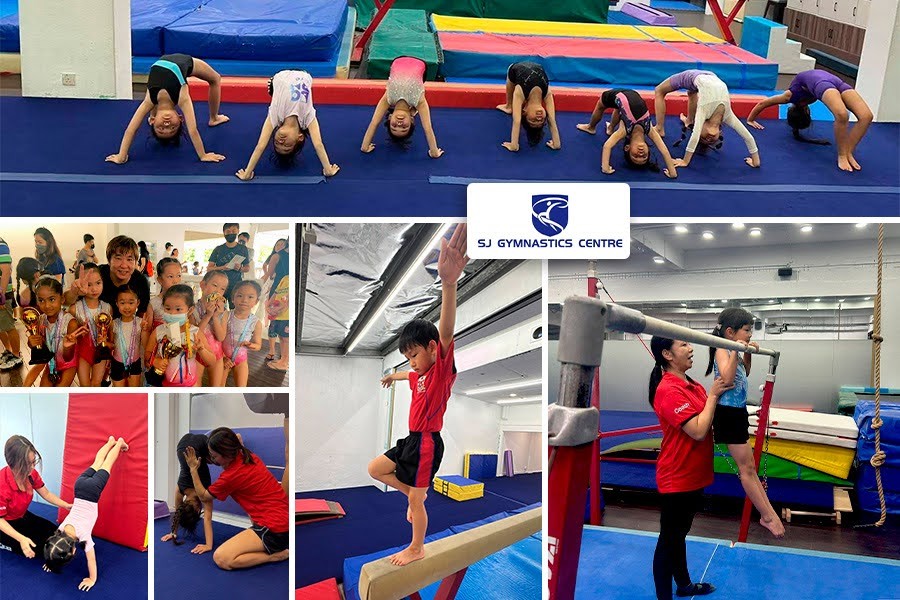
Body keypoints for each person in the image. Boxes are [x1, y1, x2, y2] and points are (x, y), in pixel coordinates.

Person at [368, 224, 468, 566]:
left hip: (427, 442)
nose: (411, 362)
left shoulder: (439, 372)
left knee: (417, 504)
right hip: (410, 440)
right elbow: (407, 374)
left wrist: (449, 284)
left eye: (414, 354)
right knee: (375, 469)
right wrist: (392, 376)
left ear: (430, 348)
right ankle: (413, 493)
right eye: (407, 357)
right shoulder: (418, 376)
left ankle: (416, 546)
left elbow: (447, 329)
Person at [648, 336, 732, 600]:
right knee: (668, 541)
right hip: (677, 476)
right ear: (667, 354)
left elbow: (709, 420)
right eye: (683, 345)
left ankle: (683, 585)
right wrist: (714, 396)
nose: (691, 348)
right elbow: (697, 430)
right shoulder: (668, 389)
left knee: (678, 535)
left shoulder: (693, 385)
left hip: (695, 475)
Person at [706, 308, 784, 538]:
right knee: (746, 470)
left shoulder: (733, 349)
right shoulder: (722, 348)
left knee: (750, 467)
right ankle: (768, 516)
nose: (750, 334)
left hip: (737, 411)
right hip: (726, 413)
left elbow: (745, 373)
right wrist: (736, 350)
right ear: (730, 332)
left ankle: (767, 513)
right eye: (747, 330)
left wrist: (746, 353)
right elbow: (728, 380)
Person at [183, 427, 289, 570]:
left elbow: (203, 495)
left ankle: (274, 555)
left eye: (214, 456)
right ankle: (274, 545)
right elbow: (237, 438)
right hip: (284, 518)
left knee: (221, 558)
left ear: (227, 454)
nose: (212, 459)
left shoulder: (231, 476)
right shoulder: (247, 455)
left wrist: (193, 469)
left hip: (274, 528)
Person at [42, 436, 128, 592]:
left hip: (93, 490)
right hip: (79, 485)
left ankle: (120, 443)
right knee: (97, 463)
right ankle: (110, 442)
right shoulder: (61, 528)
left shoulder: (84, 537)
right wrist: (50, 562)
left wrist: (92, 578)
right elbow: (53, 545)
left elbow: (92, 560)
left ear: (74, 551)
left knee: (107, 464)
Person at [106, 54, 227, 164]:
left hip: (162, 62)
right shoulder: (182, 98)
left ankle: (214, 118)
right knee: (215, 78)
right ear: (180, 119)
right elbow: (193, 130)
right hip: (184, 62)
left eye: (161, 128)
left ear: (152, 121)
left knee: (155, 104)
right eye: (172, 128)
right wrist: (203, 155)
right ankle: (214, 118)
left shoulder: (149, 100)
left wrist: (121, 156)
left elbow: (131, 129)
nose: (167, 124)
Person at [745, 70, 873, 172]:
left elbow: (764, 103)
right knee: (844, 115)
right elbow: (763, 104)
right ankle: (844, 154)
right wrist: (751, 119)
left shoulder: (789, 96)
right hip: (828, 81)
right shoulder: (801, 98)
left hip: (830, 82)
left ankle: (845, 153)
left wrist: (750, 120)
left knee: (865, 116)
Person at [236, 69, 339, 180]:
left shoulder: (274, 116)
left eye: (276, 143)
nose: (281, 142)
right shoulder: (308, 118)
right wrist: (328, 169)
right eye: (286, 146)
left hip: (280, 76)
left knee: (275, 87)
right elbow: (318, 144)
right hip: (303, 74)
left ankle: (273, 88)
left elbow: (260, 145)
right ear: (300, 137)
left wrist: (247, 173)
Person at [653, 70, 760, 169]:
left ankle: (661, 128)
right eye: (712, 140)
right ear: (720, 131)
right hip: (711, 76)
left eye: (703, 138)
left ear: (698, 127)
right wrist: (756, 161)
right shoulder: (728, 115)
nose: (709, 138)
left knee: (660, 90)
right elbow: (748, 137)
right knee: (683, 91)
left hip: (692, 77)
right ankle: (680, 123)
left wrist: (685, 161)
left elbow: (695, 137)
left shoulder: (703, 111)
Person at [0, 436, 72, 561]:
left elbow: (47, 494)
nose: (33, 467)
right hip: (5, 525)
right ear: (13, 463)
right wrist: (21, 539)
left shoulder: (31, 474)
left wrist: (66, 505)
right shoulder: (2, 485)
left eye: (34, 462)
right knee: (38, 550)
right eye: (27, 464)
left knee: (56, 533)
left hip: (21, 516)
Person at [577, 88, 677, 177]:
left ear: (627, 148)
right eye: (644, 156)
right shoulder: (649, 128)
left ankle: (591, 127)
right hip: (632, 94)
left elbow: (607, 146)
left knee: (601, 105)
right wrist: (672, 172)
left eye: (636, 156)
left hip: (617, 95)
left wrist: (605, 167)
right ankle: (610, 128)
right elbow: (664, 150)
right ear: (648, 149)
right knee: (620, 110)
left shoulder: (625, 129)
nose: (640, 153)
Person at [361, 57, 443, 158]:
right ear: (412, 121)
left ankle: (412, 111)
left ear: (390, 117)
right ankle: (412, 111)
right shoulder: (419, 101)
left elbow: (374, 122)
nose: (399, 124)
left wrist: (365, 147)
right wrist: (434, 152)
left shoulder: (388, 99)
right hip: (421, 62)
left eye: (394, 126)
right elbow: (428, 128)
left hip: (398, 59)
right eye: (404, 127)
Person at [65, 236, 152, 320]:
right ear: (109, 260)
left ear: (136, 262)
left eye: (129, 259)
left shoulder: (141, 281)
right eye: (118, 258)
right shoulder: (97, 275)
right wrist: (74, 293)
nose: (124, 265)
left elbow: (142, 313)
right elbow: (65, 302)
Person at [160, 433, 214, 554]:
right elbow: (178, 511)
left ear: (197, 510)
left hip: (199, 445)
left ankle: (237, 439)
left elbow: (208, 518)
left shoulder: (204, 494)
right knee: (208, 460)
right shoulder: (180, 489)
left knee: (217, 461)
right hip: (182, 445)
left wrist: (208, 545)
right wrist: (173, 532)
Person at [144, 284, 206, 387]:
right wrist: (154, 361)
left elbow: (211, 361)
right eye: (168, 308)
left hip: (190, 385)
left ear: (190, 310)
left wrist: (202, 350)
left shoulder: (195, 333)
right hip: (164, 385)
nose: (172, 313)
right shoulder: (159, 331)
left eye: (178, 309)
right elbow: (147, 353)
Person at [31, 277, 86, 387]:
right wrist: (32, 343)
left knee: (59, 392)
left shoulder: (71, 323)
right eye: (41, 300)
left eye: (51, 299)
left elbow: (68, 357)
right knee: (43, 394)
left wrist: (67, 346)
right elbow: (40, 348)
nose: (46, 305)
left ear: (62, 299)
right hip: (51, 364)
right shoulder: (40, 320)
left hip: (68, 364)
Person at [496, 61, 561, 151]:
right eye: (541, 121)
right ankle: (509, 107)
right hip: (536, 65)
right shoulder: (546, 93)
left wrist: (514, 145)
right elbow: (552, 120)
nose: (539, 118)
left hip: (515, 68)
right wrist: (556, 144)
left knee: (511, 71)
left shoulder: (520, 93)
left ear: (524, 111)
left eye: (533, 120)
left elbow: (517, 121)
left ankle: (509, 106)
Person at [68, 263, 113, 387]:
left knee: (96, 383)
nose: (94, 289)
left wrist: (109, 347)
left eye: (98, 283)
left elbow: (111, 335)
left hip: (101, 350)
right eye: (88, 284)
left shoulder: (107, 308)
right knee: (85, 385)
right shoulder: (74, 309)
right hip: (83, 351)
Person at [221, 281, 262, 387]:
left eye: (250, 297)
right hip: (223, 358)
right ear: (233, 299)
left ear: (256, 301)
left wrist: (250, 345)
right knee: (218, 387)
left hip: (241, 360)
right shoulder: (226, 315)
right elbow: (218, 338)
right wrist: (223, 357)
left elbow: (258, 345)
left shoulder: (256, 322)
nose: (244, 300)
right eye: (240, 296)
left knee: (242, 388)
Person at [192, 271, 229, 387]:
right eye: (215, 285)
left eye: (222, 289)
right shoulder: (192, 309)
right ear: (203, 285)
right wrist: (207, 316)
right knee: (195, 385)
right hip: (198, 353)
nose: (218, 291)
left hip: (217, 354)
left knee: (216, 387)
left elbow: (221, 336)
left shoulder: (223, 312)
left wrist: (216, 317)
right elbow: (195, 334)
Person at [110, 286, 148, 387]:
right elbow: (111, 344)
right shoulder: (113, 324)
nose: (127, 307)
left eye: (131, 303)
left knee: (133, 393)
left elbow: (145, 344)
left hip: (134, 362)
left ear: (137, 303)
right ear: (117, 303)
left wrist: (144, 330)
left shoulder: (140, 323)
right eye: (122, 303)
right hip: (117, 363)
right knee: (119, 394)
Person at [207, 224, 251, 309]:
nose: (231, 233)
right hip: (218, 285)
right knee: (216, 309)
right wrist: (222, 267)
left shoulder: (243, 249)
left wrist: (240, 268)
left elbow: (247, 267)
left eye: (234, 231)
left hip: (235, 285)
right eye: (228, 231)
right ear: (224, 233)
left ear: (238, 232)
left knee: (235, 310)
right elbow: (209, 268)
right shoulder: (218, 249)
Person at [263, 240, 289, 371]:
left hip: (285, 308)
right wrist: (268, 305)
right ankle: (281, 357)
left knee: (286, 336)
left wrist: (283, 307)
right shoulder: (283, 279)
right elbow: (276, 290)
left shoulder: (288, 279)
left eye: (282, 244)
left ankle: (285, 361)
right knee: (279, 330)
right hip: (278, 300)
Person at [0, 236, 23, 371]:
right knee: (1, 326)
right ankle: (8, 351)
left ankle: (16, 355)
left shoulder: (1, 245)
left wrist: (1, 295)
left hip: (3, 295)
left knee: (8, 325)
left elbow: (5, 271)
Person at [149, 257, 184, 329]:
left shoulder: (184, 301)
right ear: (160, 280)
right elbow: (148, 329)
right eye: (170, 276)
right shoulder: (153, 303)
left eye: (178, 276)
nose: (175, 281)